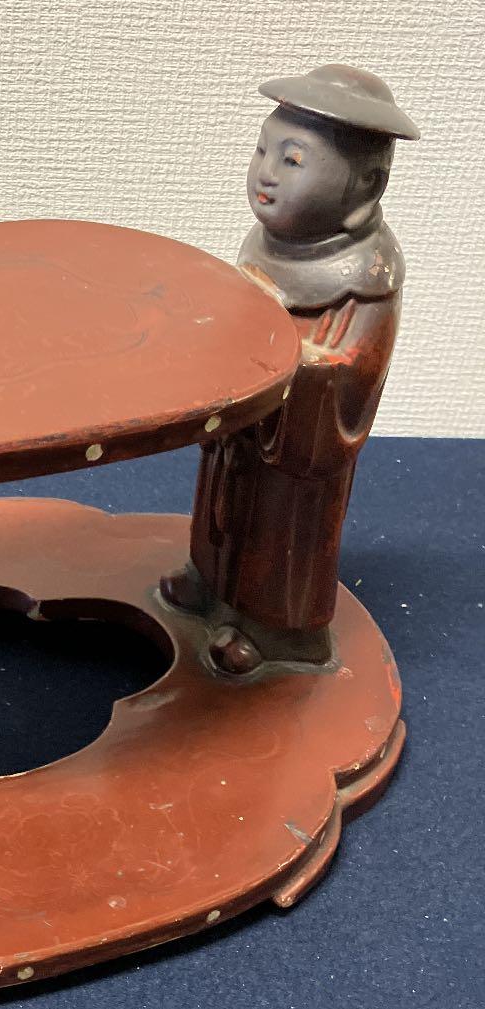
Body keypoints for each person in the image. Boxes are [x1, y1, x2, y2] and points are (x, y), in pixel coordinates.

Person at [160, 65, 419, 674]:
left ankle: (277, 631)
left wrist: (291, 366)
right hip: (242, 430)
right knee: (221, 500)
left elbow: (354, 371)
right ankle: (211, 584)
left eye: (293, 160)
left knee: (280, 526)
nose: (266, 173)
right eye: (262, 151)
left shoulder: (366, 277)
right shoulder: (264, 245)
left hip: (297, 445)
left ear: (366, 188)